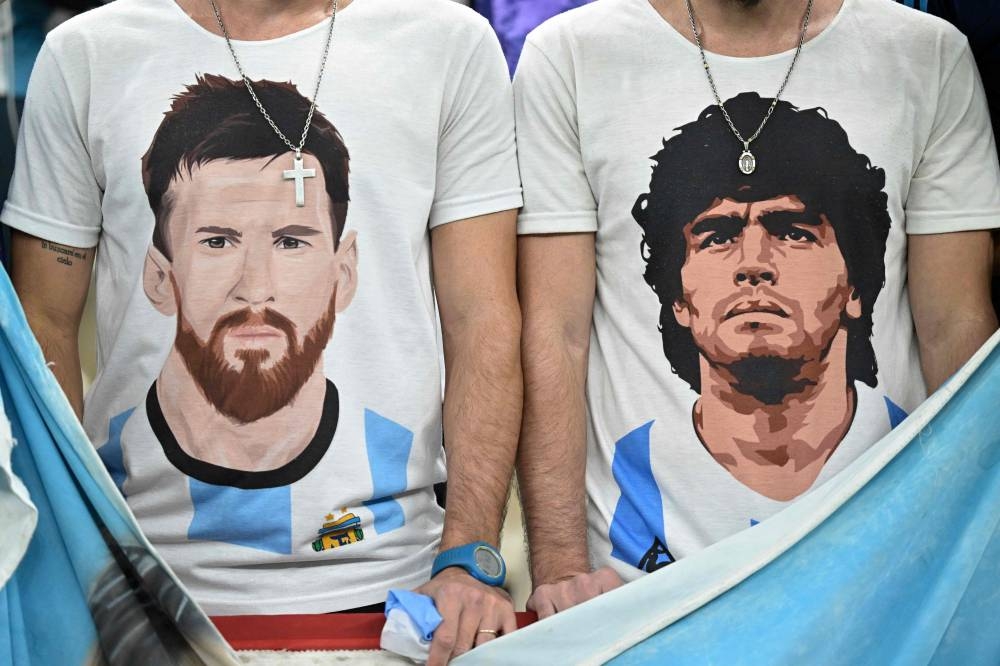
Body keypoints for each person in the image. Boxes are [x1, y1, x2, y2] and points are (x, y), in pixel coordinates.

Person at [3, 0, 523, 662]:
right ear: (158, 276)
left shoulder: (446, 42)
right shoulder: (88, 53)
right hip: (142, 600)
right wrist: (79, 563)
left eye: (292, 241)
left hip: (401, 603)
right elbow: (39, 322)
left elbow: (482, 319)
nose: (256, 287)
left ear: (344, 270)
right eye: (217, 241)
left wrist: (467, 557)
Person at [514, 0, 1000, 617]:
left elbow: (956, 328)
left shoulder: (925, 53)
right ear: (676, 296)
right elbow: (555, 334)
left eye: (795, 231)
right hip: (636, 606)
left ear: (857, 284)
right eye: (715, 235)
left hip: (885, 602)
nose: (754, 263)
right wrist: (561, 570)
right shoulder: (571, 53)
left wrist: (976, 571)